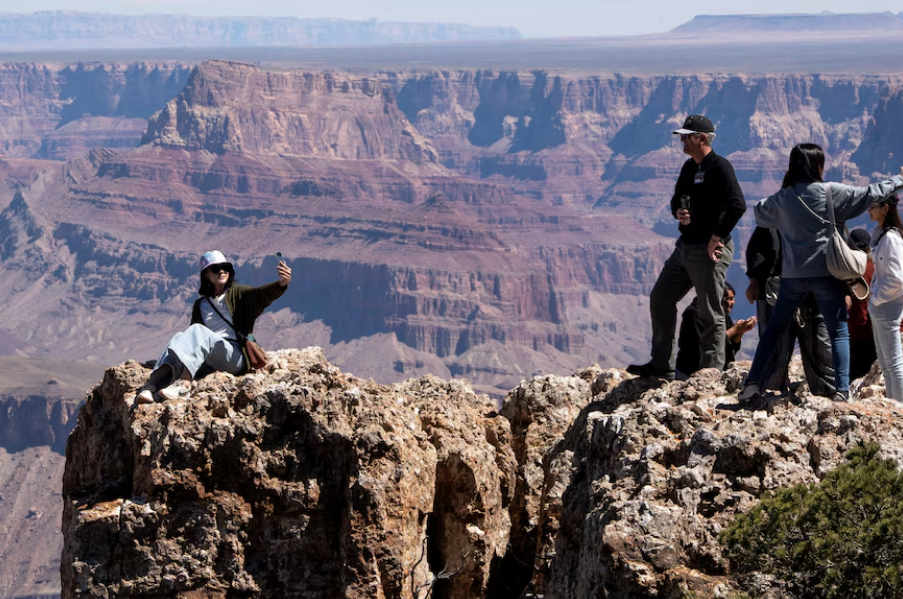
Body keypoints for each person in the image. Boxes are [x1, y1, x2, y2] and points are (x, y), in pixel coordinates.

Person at [740, 143, 903, 402]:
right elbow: (870, 193)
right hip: (826, 275)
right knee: (838, 330)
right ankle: (841, 390)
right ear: (818, 165)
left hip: (792, 277)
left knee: (773, 329)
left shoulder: (783, 198)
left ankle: (751, 384)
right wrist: (899, 180)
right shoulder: (831, 193)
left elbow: (760, 213)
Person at [627, 114, 746, 380]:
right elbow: (677, 199)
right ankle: (661, 364)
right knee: (661, 297)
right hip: (686, 245)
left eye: (686, 136)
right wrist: (678, 211)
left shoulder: (720, 167)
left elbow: (738, 205)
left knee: (709, 311)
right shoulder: (690, 168)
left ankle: (711, 373)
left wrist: (717, 237)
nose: (682, 141)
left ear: (701, 138)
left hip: (709, 249)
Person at [136, 250, 291, 403]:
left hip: (235, 356)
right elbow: (192, 342)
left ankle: (184, 384)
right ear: (206, 275)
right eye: (216, 269)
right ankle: (150, 387)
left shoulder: (238, 293)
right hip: (211, 356)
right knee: (178, 337)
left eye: (225, 268)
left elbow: (261, 294)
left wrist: (282, 283)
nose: (222, 271)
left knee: (197, 330)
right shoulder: (201, 304)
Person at [745, 226, 835, 396]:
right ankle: (769, 394)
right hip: (775, 289)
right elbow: (758, 247)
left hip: (813, 290)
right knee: (776, 347)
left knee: (819, 345)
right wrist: (754, 279)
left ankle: (829, 395)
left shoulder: (819, 212)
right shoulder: (774, 212)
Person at [676, 283, 756, 377]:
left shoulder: (721, 314)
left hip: (717, 371)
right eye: (726, 299)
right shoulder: (694, 314)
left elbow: (730, 346)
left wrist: (740, 331)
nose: (730, 303)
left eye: (732, 298)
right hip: (691, 371)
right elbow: (706, 345)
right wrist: (735, 329)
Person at [867, 195, 903, 401]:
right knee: (886, 367)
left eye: (873, 207)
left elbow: (898, 278)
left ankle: (899, 412)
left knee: (894, 366)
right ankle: (893, 405)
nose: (869, 211)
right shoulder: (879, 234)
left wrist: (876, 298)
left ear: (885, 208)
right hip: (880, 307)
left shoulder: (891, 238)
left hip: (888, 306)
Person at [847, 228, 877, 381]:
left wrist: (850, 337)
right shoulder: (878, 263)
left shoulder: (860, 272)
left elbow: (860, 312)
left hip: (865, 336)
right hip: (884, 328)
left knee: (855, 377)